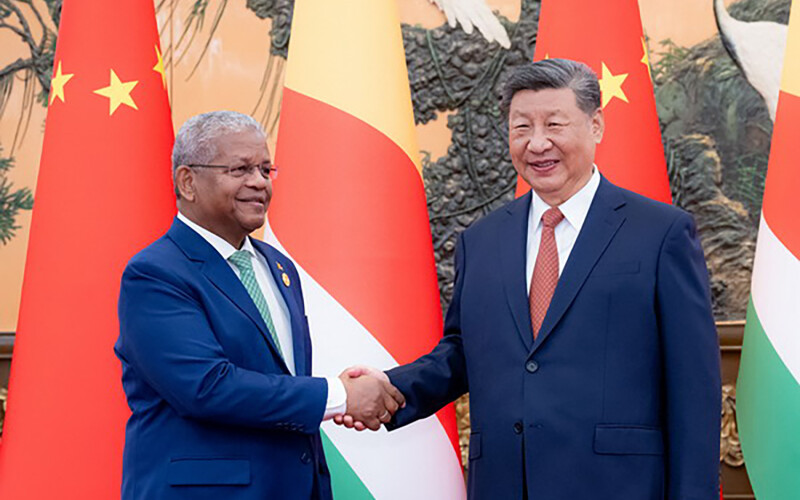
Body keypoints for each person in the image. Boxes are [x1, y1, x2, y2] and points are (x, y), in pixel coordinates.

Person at [338, 59, 721, 499]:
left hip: (619, 486)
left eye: (554, 124)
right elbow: (465, 350)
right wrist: (390, 388)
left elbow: (694, 385)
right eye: (522, 128)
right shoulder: (481, 240)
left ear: (596, 125)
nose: (537, 144)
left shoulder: (660, 233)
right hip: (505, 484)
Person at [115, 111, 404, 499]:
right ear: (188, 181)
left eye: (266, 169)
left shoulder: (279, 267)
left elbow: (276, 374)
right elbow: (206, 388)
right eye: (240, 169)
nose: (259, 183)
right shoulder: (155, 273)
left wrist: (346, 391)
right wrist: (338, 396)